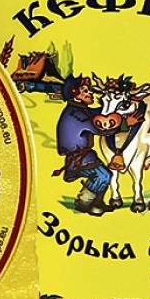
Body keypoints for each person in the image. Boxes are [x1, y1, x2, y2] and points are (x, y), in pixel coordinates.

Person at [55, 75, 113, 216]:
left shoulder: (80, 109)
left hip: (84, 155)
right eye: (85, 90)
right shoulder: (75, 114)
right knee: (103, 175)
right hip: (78, 158)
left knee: (104, 175)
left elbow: (97, 112)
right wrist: (124, 124)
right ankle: (84, 202)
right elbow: (99, 129)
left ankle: (97, 202)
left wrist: (110, 103)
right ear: (75, 94)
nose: (90, 93)